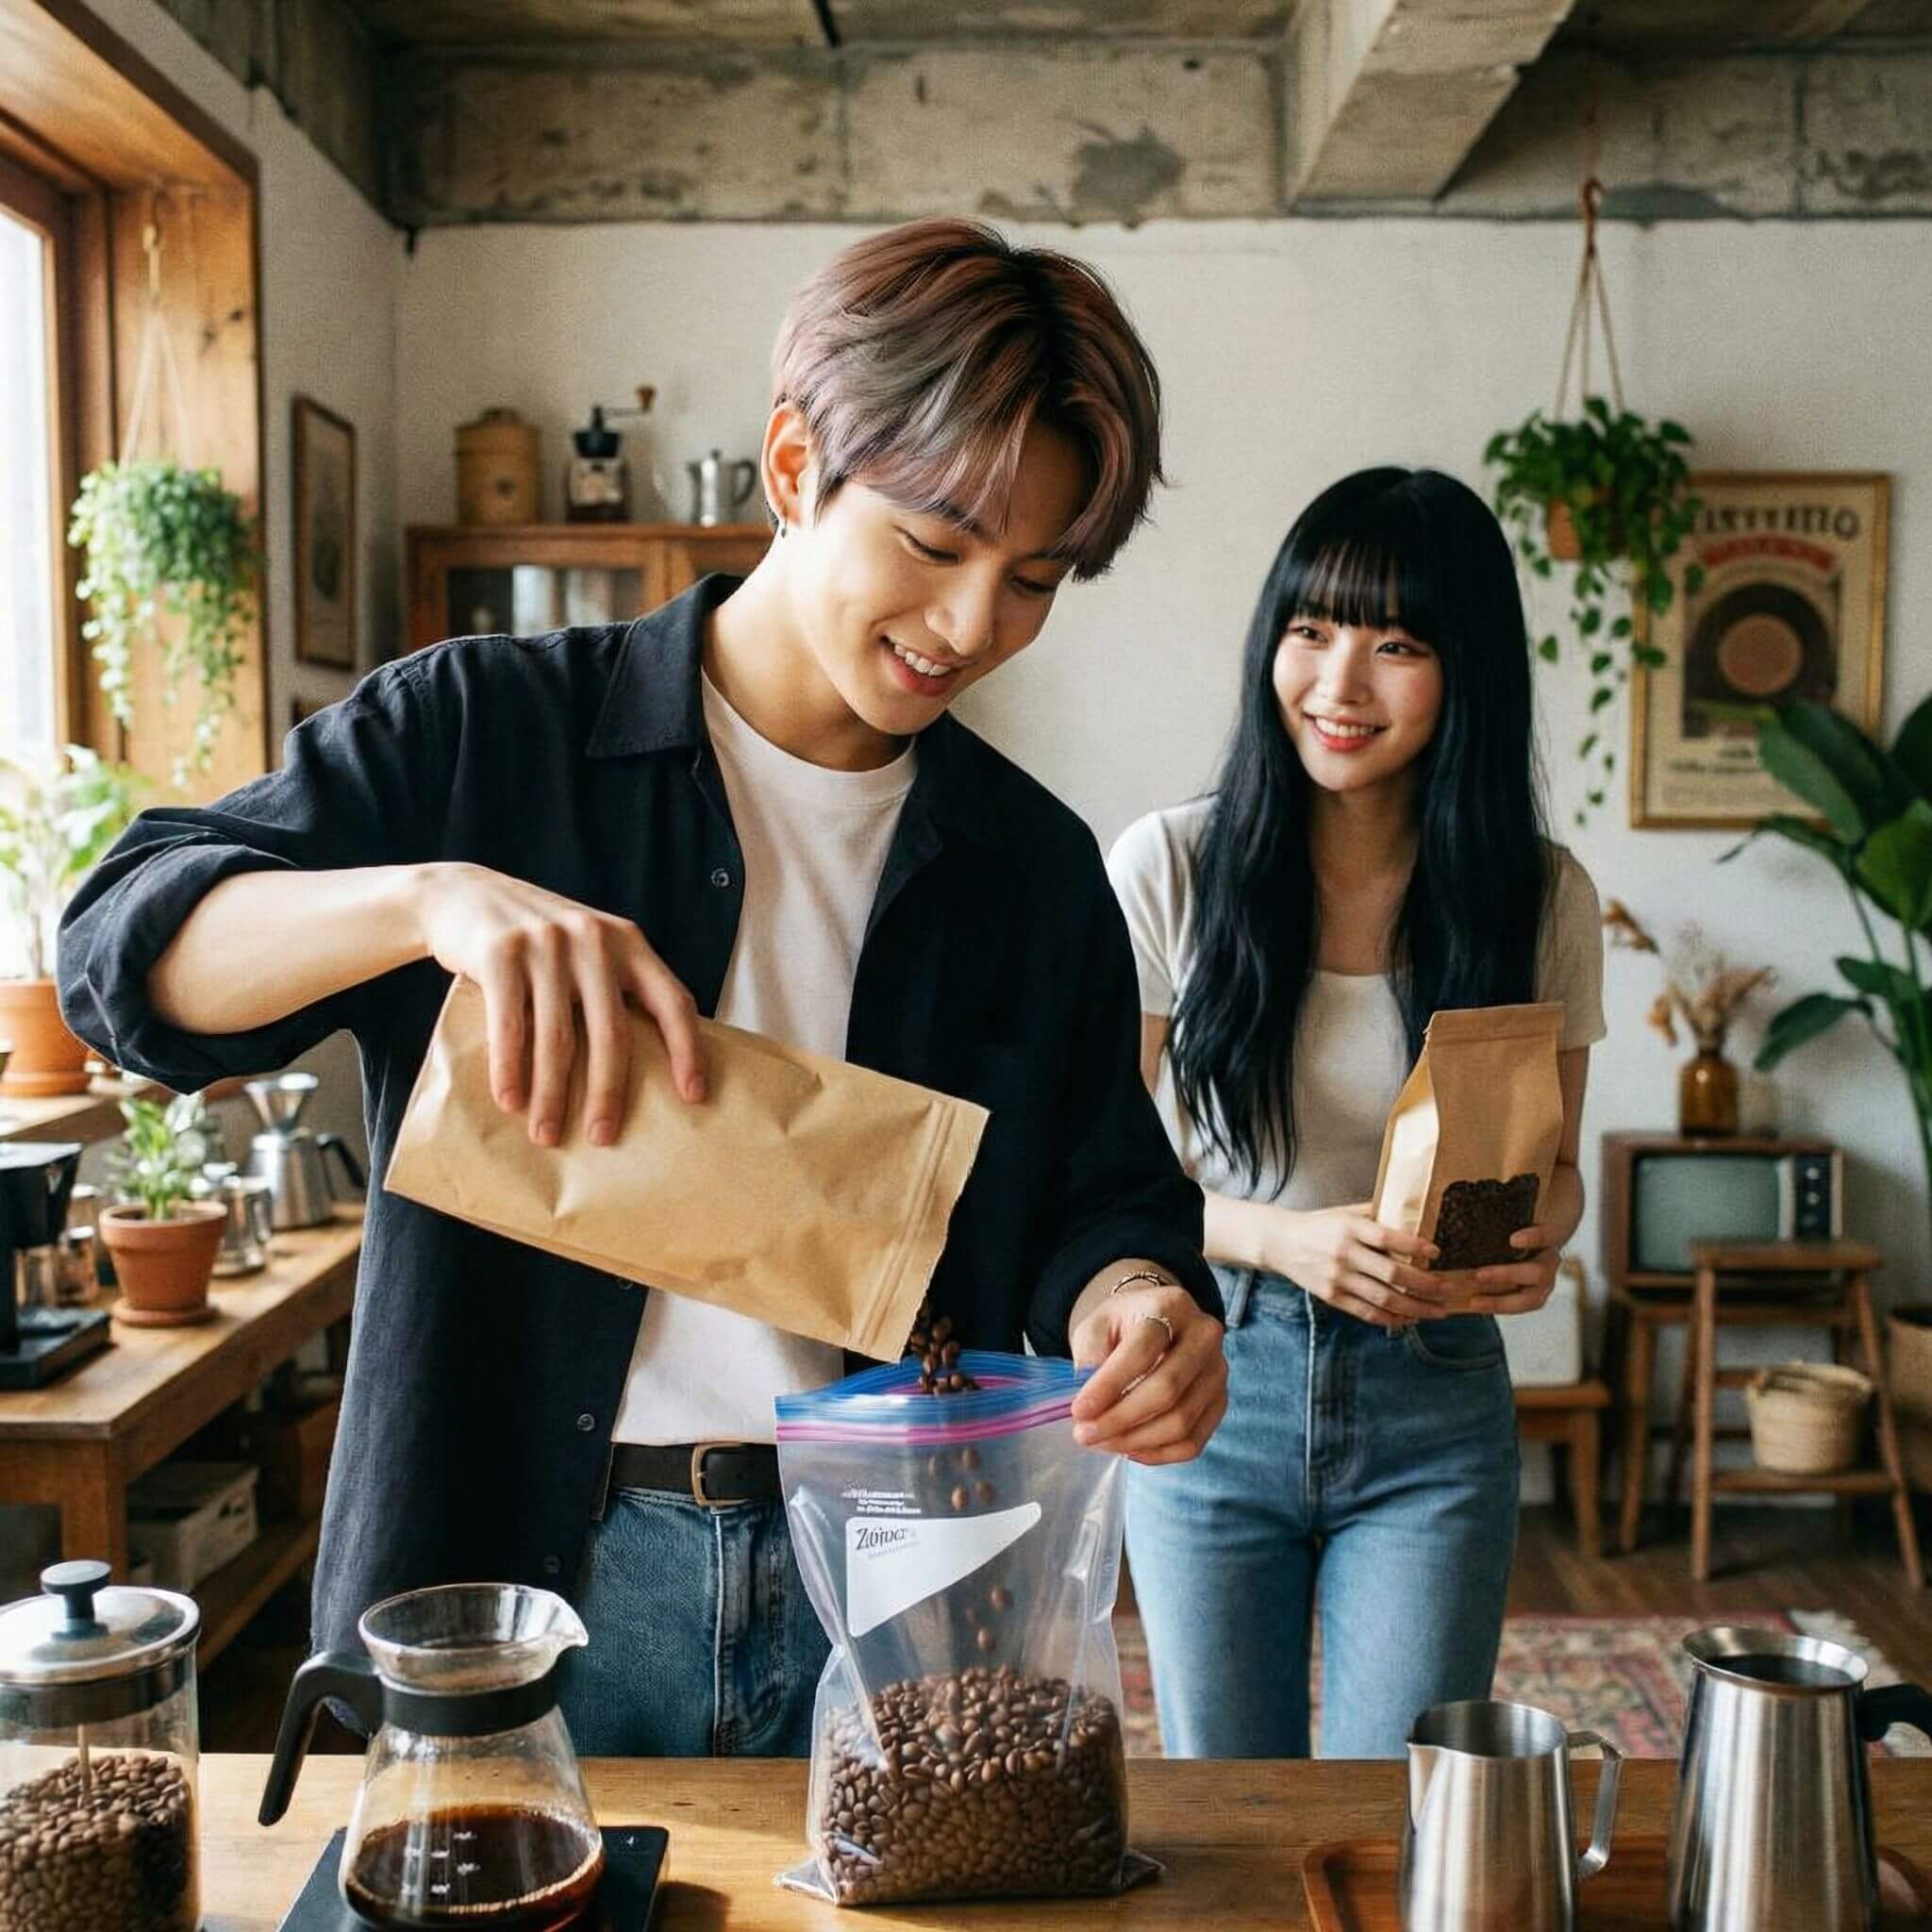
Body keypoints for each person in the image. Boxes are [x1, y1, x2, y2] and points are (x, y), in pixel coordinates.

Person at [59, 218, 1227, 1756]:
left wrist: (1140, 1304)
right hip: (519, 1579)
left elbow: (1098, 1194)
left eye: (1034, 580)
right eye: (936, 547)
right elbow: (116, 952)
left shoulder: (1030, 864)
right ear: (796, 465)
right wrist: (431, 904)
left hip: (886, 1589)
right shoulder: (487, 733)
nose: (971, 627)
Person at [1107, 466, 1604, 1759]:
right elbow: (1106, 1176)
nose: (1340, 685)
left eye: (1398, 646)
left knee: (1410, 1806)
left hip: (1435, 1400)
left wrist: (1533, 1243)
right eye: (1312, 630)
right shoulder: (1171, 867)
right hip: (1216, 1377)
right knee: (1230, 1803)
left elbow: (1554, 1173)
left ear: (1468, 671)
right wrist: (1282, 1238)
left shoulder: (1538, 898)